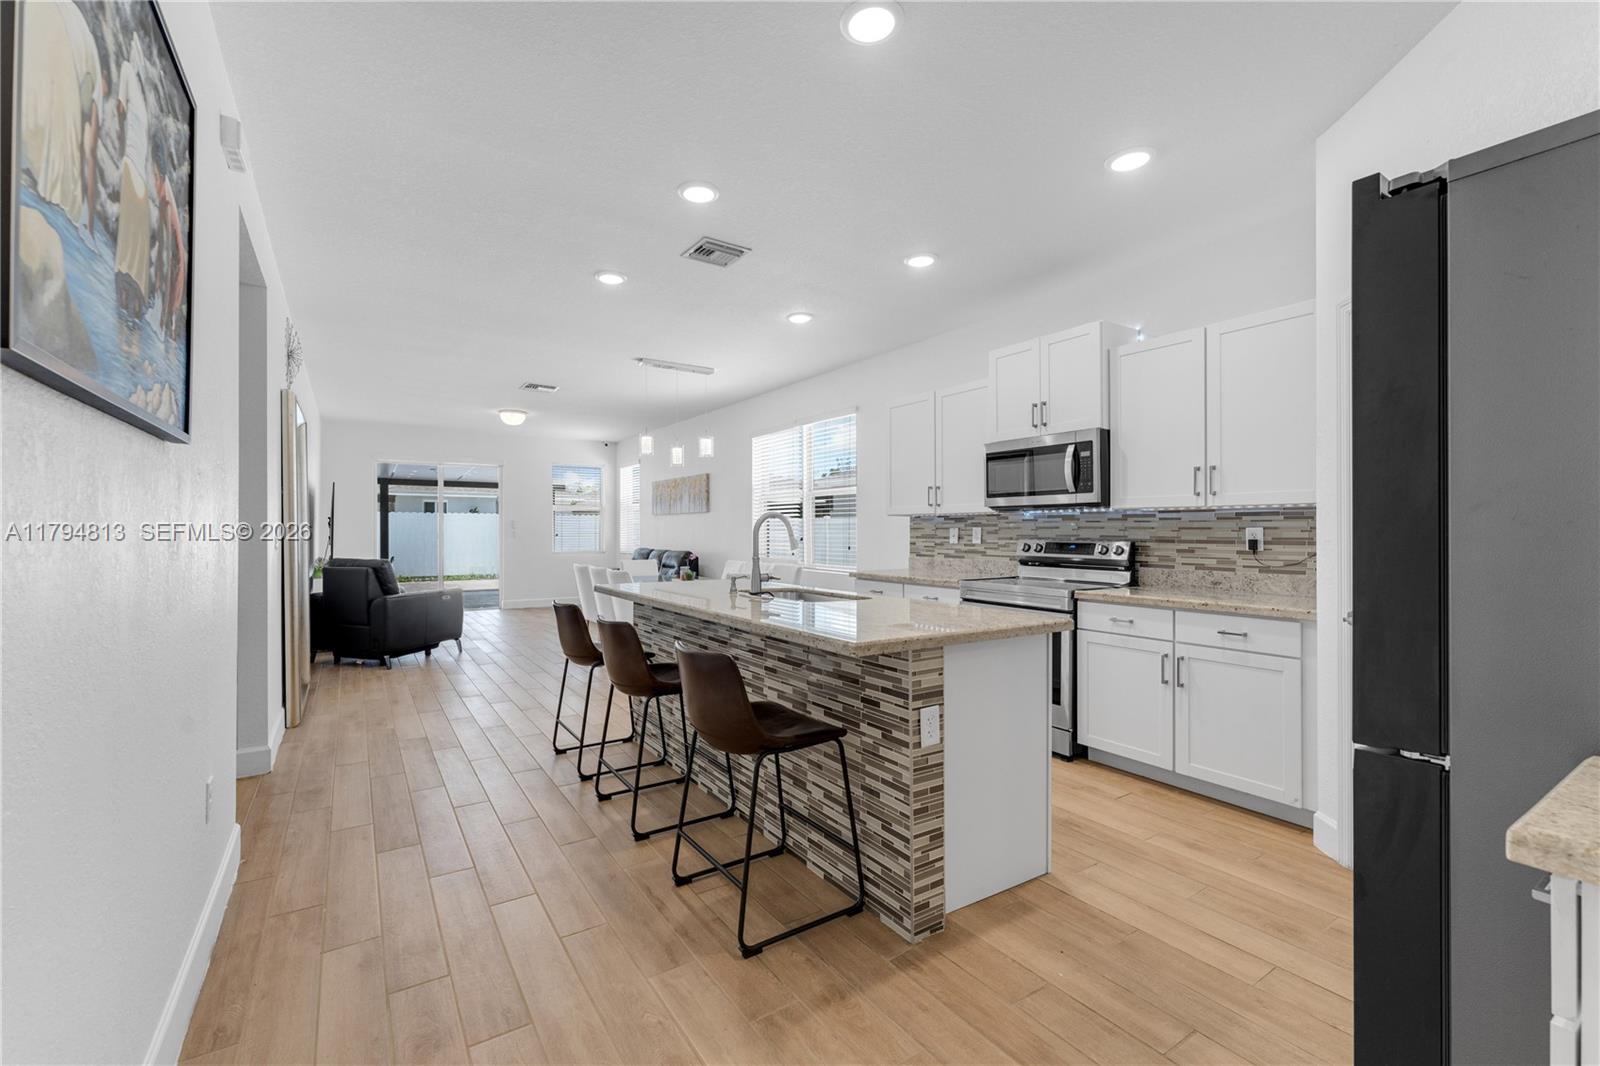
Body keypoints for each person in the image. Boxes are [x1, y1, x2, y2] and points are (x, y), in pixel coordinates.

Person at [17, 0, 102, 226]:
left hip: (25, 105)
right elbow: (91, 151)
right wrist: (90, 225)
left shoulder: (65, 13)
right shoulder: (89, 47)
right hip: (53, 148)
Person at [114, 34, 153, 319]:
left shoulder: (127, 70)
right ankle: (133, 306)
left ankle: (127, 302)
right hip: (139, 179)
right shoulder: (144, 99)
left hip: (132, 170)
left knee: (126, 251)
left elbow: (119, 109)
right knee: (135, 254)